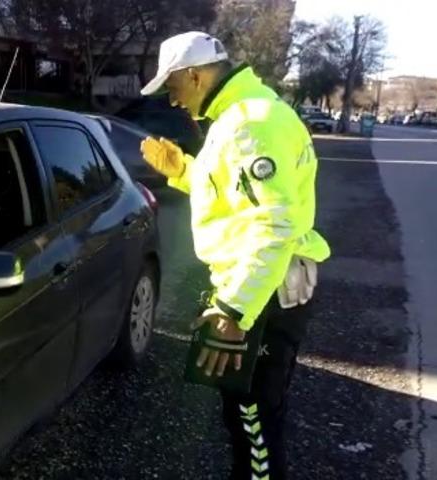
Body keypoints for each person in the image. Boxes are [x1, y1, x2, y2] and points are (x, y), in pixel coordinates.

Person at [139, 32, 331, 479]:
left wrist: (233, 309)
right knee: (246, 417)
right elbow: (237, 198)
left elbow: (275, 224)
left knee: (254, 423)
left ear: (195, 74)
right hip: (258, 287)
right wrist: (183, 171)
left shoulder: (250, 123)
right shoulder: (241, 113)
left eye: (173, 87)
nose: (172, 100)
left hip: (262, 294)